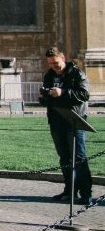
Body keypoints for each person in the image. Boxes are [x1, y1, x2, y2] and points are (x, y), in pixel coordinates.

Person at [40, 46, 93, 207]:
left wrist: (62, 92)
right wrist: (44, 96)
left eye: (55, 62)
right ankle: (69, 190)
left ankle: (86, 193)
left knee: (79, 158)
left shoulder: (76, 73)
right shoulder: (49, 75)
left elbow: (84, 95)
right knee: (64, 157)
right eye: (50, 63)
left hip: (74, 120)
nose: (53, 66)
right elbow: (48, 101)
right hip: (56, 120)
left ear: (62, 58)